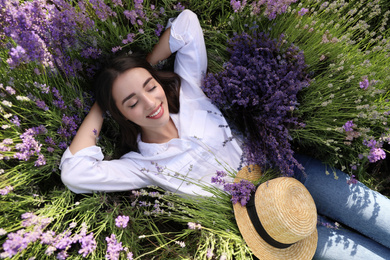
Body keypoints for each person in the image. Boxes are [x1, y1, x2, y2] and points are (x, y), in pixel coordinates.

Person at [60, 10, 390, 259]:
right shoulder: (142, 165)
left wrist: (138, 68)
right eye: (132, 102)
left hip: (292, 173)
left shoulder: (189, 91)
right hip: (266, 223)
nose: (150, 103)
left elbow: (187, 24)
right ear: (120, 113)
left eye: (150, 87)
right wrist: (101, 107)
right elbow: (75, 173)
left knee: (381, 216)